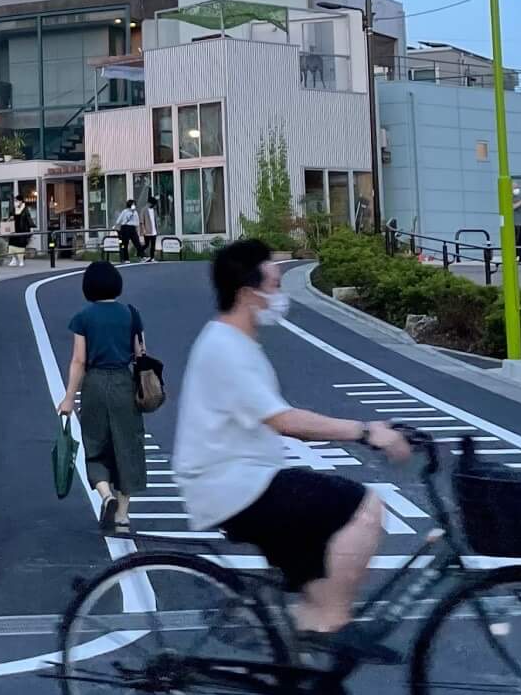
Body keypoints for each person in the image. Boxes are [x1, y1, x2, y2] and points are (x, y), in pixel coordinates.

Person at [173, 239, 413, 654]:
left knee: (317, 546)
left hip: (244, 481)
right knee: (363, 507)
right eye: (274, 285)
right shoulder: (226, 349)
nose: (279, 295)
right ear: (249, 294)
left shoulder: (233, 342)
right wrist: (365, 430)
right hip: (235, 487)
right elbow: (286, 421)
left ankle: (296, 668)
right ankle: (328, 624)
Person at [55, 260, 148, 534]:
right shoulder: (131, 314)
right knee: (127, 446)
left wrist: (69, 398)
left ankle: (105, 494)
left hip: (94, 385)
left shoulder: (83, 317)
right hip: (123, 383)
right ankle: (122, 516)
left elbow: (78, 361)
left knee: (95, 445)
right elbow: (141, 353)